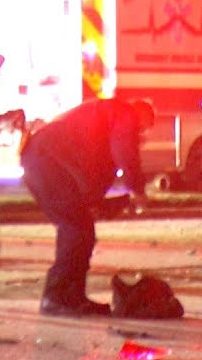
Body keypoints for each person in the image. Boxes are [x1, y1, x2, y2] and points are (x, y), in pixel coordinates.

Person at [20, 96, 153, 317]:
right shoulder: (124, 113)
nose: (142, 133)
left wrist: (109, 204)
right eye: (145, 126)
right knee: (75, 229)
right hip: (46, 162)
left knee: (81, 229)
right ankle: (56, 297)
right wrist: (137, 189)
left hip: (42, 160)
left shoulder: (104, 121)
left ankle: (72, 297)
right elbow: (125, 151)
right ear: (141, 113)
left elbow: (92, 179)